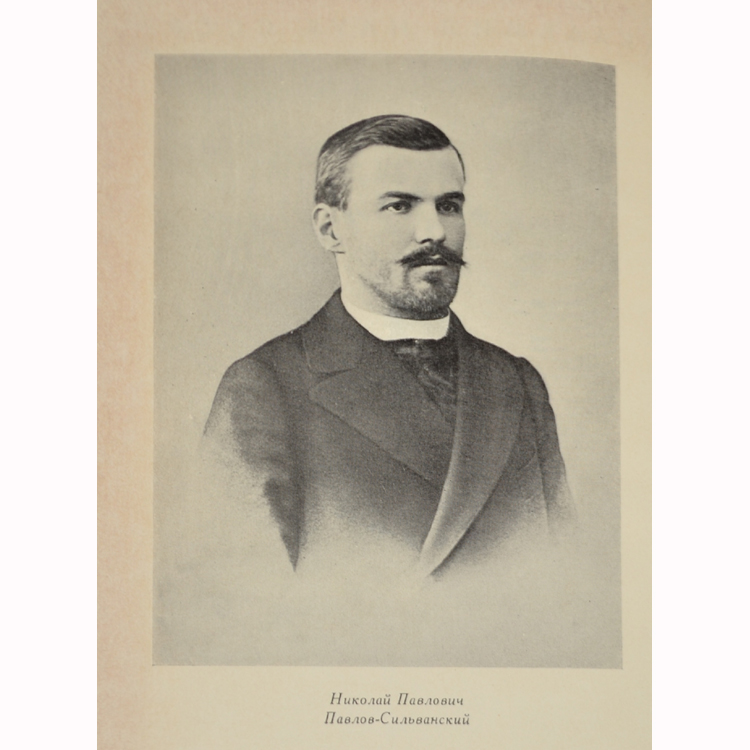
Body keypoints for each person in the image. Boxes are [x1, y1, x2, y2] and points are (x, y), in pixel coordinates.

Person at [204, 114, 575, 581]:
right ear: (330, 229)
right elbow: (240, 594)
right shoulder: (265, 386)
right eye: (400, 206)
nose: (435, 232)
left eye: (449, 205)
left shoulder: (515, 381)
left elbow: (566, 571)